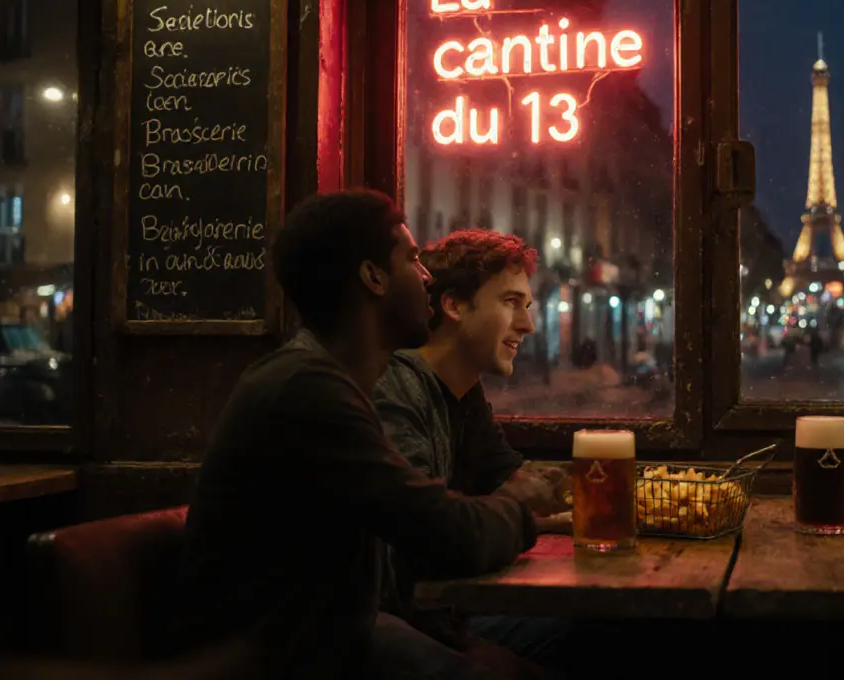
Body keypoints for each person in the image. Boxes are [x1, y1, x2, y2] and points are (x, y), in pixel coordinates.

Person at [173, 189, 568, 680]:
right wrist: (521, 506)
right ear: (373, 277)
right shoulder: (310, 389)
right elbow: (434, 530)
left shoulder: (332, 381)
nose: (427, 278)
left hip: (326, 635)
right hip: (277, 655)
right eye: (412, 260)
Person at [372, 229, 571, 663]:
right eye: (511, 303)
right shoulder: (398, 386)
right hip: (401, 627)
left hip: (438, 614)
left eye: (528, 306)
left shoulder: (464, 392)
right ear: (455, 305)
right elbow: (415, 544)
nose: (529, 324)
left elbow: (514, 480)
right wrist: (519, 506)